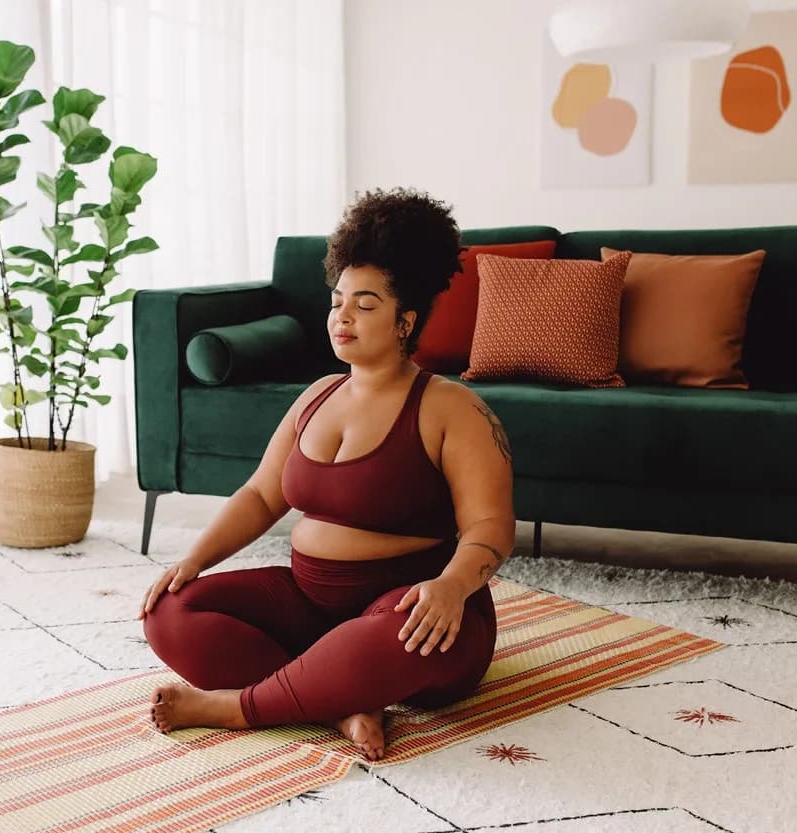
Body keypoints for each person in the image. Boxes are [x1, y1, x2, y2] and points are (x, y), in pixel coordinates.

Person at [137, 187, 515, 762]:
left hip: (413, 610)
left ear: (404, 321)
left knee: (381, 642)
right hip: (310, 607)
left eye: (365, 305)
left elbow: (490, 527)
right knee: (169, 612)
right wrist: (194, 559)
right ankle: (339, 702)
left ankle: (237, 707)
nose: (342, 316)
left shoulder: (453, 409)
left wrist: (451, 586)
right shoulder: (316, 396)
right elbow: (262, 494)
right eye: (338, 301)